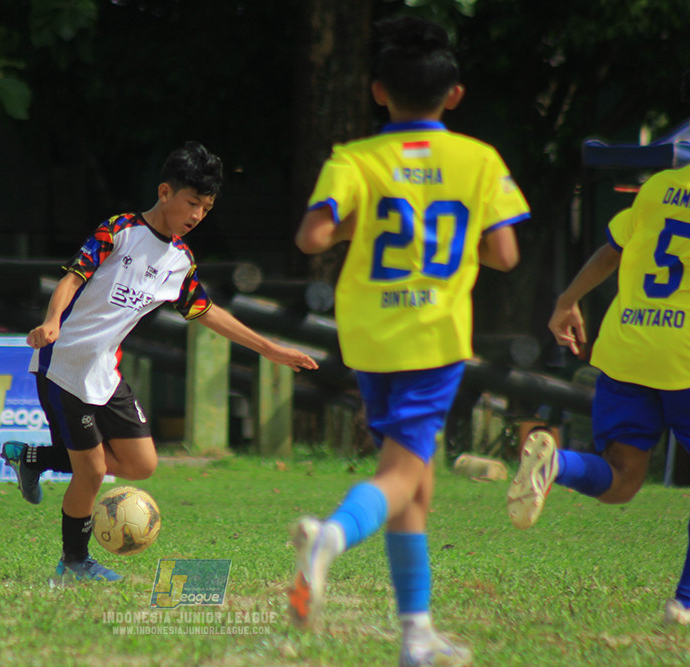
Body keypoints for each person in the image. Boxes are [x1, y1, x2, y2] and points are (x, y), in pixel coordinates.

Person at [289, 16, 526, 667]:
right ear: (454, 95)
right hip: (435, 336)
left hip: (368, 334)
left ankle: (416, 636)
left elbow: (312, 236)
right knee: (401, 474)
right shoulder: (478, 160)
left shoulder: (354, 159)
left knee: (417, 483)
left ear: (377, 92)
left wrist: (357, 228)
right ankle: (330, 536)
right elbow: (505, 253)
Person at [0, 141, 319, 583]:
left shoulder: (179, 261)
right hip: (64, 365)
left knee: (142, 465)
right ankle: (73, 563)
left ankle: (32, 457)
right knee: (91, 472)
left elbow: (207, 311)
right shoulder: (119, 231)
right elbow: (72, 278)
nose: (197, 216)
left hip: (104, 373)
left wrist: (269, 348)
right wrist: (52, 322)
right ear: (165, 192)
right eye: (192, 203)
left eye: (206, 209)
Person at [508, 70, 690, 627]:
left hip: (629, 349)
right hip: (685, 359)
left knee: (621, 481)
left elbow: (612, 249)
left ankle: (556, 462)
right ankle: (684, 603)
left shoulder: (660, 188)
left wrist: (567, 300)